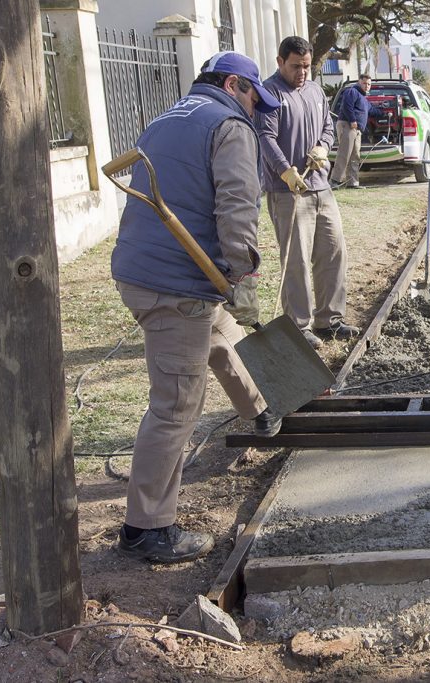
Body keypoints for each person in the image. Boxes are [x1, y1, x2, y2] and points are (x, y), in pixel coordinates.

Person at [111, 51, 283, 564]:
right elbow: (236, 204)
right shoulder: (230, 125)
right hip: (175, 284)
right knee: (175, 404)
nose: (257, 108)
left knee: (221, 333)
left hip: (143, 271)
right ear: (234, 85)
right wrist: (242, 272)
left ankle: (261, 408)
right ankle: (147, 527)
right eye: (255, 97)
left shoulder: (166, 117)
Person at [257, 36, 359, 349]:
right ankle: (298, 327)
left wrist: (323, 147)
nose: (301, 72)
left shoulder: (315, 90)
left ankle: (330, 320)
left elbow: (329, 127)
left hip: (321, 186)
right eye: (294, 66)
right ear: (279, 62)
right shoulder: (269, 94)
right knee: (296, 261)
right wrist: (284, 170)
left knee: (332, 252)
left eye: (305, 66)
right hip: (288, 191)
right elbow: (265, 136)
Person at [332, 73, 373, 190]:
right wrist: (352, 120)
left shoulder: (364, 99)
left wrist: (385, 112)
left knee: (355, 156)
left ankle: (352, 182)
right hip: (348, 125)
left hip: (356, 129)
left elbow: (372, 110)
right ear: (359, 82)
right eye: (364, 83)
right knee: (344, 153)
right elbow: (347, 106)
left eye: (369, 84)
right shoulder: (352, 91)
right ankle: (334, 181)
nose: (367, 86)